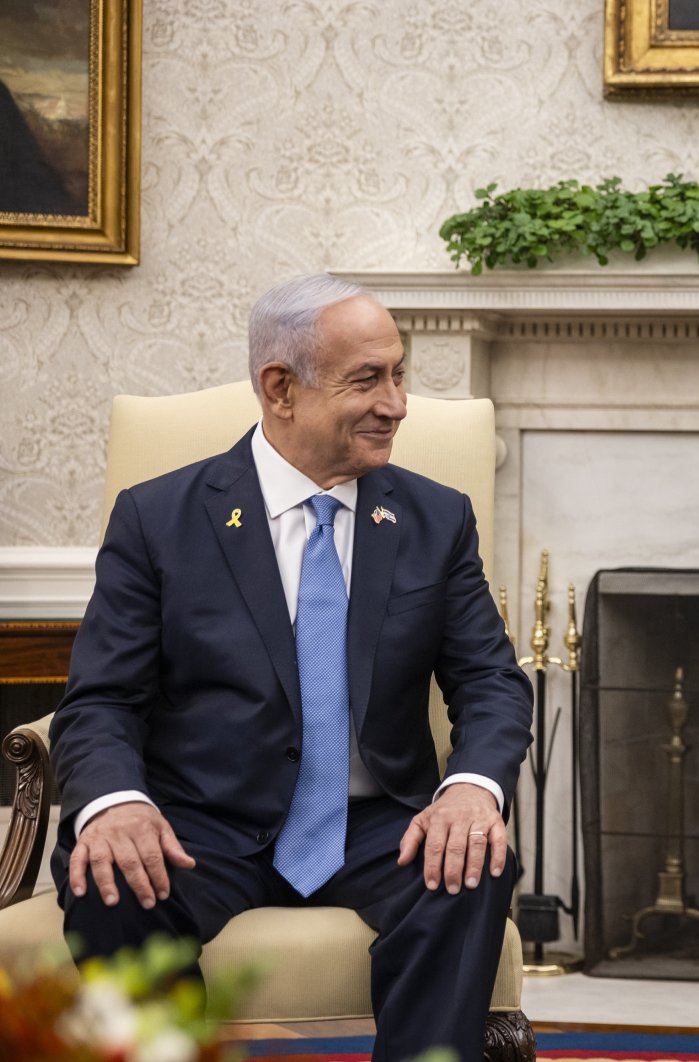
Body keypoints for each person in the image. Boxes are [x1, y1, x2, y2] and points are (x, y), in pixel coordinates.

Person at [50, 274, 534, 1061]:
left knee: (474, 861)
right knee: (103, 865)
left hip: (377, 823)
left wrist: (471, 790)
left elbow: (490, 682)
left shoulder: (434, 518)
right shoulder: (160, 519)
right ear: (281, 389)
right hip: (201, 818)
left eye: (400, 373)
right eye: (368, 380)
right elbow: (100, 699)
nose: (398, 403)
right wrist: (115, 801)